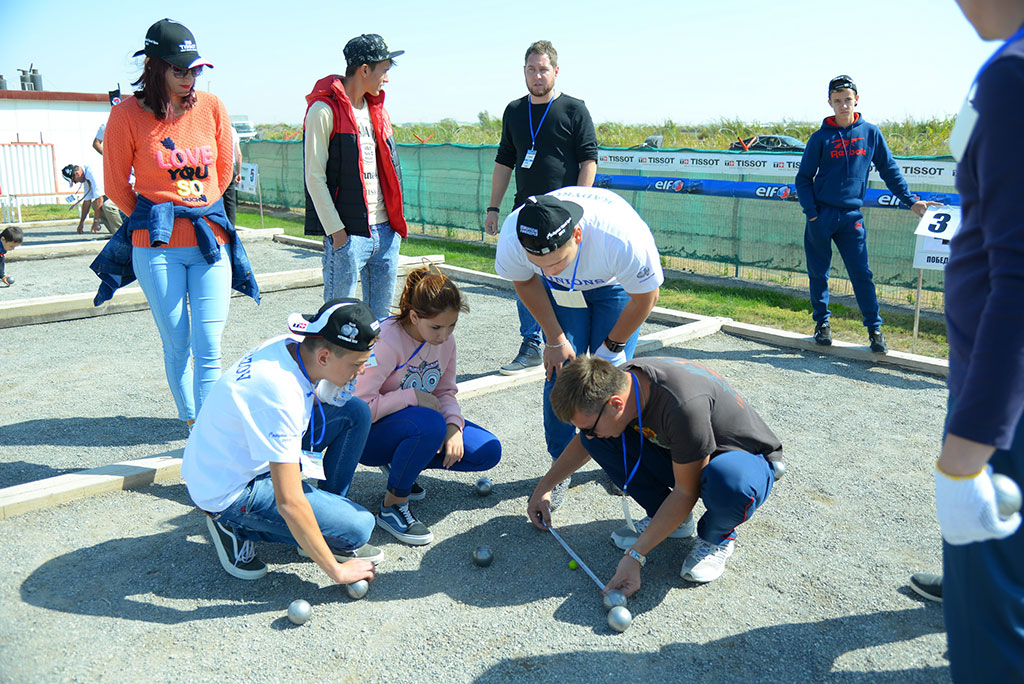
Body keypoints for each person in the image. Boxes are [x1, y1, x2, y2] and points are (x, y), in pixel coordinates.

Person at [93, 18, 259, 431]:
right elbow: (115, 185)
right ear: (155, 67)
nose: (190, 78)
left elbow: (222, 172)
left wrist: (196, 206)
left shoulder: (213, 108)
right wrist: (155, 216)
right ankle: (190, 420)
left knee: (210, 347)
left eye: (195, 69)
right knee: (177, 343)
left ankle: (207, 434)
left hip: (210, 242)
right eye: (179, 69)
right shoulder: (126, 116)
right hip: (156, 247)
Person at [932, 1, 1024, 679]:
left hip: (1000, 393)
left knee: (988, 619)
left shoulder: (1012, 75)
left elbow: (1017, 275)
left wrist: (965, 455)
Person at [527, 356, 782, 594]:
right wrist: (545, 487)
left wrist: (635, 556)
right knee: (600, 441)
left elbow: (686, 490)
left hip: (739, 458)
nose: (588, 434)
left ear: (616, 404)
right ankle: (672, 521)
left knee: (729, 483)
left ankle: (718, 537)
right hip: (687, 451)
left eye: (589, 428)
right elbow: (586, 442)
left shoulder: (682, 407)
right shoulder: (623, 383)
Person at [182, 299, 383, 583]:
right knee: (359, 527)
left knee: (355, 412)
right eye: (357, 364)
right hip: (230, 491)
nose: (361, 371)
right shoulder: (281, 396)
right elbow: (288, 501)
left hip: (237, 457)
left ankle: (321, 526)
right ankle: (231, 527)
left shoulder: (292, 346)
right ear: (324, 357)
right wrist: (336, 571)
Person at [495, 186, 663, 510]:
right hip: (562, 294)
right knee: (561, 373)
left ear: (577, 234)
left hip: (613, 286)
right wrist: (554, 338)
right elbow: (526, 280)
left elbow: (646, 296)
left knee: (613, 381)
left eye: (557, 260)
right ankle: (560, 468)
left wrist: (613, 346)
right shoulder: (515, 234)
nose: (550, 269)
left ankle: (618, 461)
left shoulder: (621, 238)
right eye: (540, 263)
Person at [354, 266, 502, 545]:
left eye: (452, 326)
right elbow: (359, 408)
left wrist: (454, 426)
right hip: (369, 436)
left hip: (416, 423)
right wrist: (411, 397)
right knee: (429, 424)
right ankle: (393, 506)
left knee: (487, 451)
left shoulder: (446, 342)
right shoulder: (385, 341)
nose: (444, 335)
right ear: (413, 316)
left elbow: (445, 391)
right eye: (436, 327)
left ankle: (403, 463)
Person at [795, 75, 939, 353]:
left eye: (847, 99)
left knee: (862, 274)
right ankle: (822, 325)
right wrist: (812, 213)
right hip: (821, 217)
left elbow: (889, 170)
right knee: (818, 273)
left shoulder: (870, 133)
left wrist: (911, 202)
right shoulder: (820, 138)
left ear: (856, 100)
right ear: (830, 103)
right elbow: (803, 178)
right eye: (837, 101)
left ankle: (874, 330)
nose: (843, 105)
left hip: (851, 218)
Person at [483, 40, 598, 375]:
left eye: (543, 69)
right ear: (524, 72)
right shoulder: (515, 111)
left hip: (565, 214)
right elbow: (505, 162)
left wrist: (581, 204)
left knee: (567, 276)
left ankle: (572, 341)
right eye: (531, 69)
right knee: (525, 275)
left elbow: (588, 160)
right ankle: (532, 344)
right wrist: (493, 207)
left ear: (556, 71)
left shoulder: (575, 109)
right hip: (526, 212)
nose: (537, 75)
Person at [303, 33, 407, 320]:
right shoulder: (323, 111)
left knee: (381, 325)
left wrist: (395, 228)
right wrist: (338, 234)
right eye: (384, 70)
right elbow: (314, 177)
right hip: (348, 236)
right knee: (340, 324)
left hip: (385, 233)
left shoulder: (378, 111)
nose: (386, 78)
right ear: (364, 70)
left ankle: (375, 368)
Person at [61, 163, 123, 234]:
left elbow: (99, 199)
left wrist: (96, 221)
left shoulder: (92, 173)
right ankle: (115, 233)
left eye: (74, 181)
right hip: (114, 192)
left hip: (125, 188)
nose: (76, 183)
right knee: (95, 205)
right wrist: (81, 223)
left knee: (107, 206)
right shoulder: (85, 177)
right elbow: (87, 202)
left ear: (77, 174)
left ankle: (122, 234)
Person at [221, 126, 242, 227]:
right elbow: (238, 154)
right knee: (230, 200)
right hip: (230, 166)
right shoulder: (232, 130)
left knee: (216, 198)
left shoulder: (214, 127)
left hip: (218, 166)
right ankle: (231, 227)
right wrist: (238, 172)